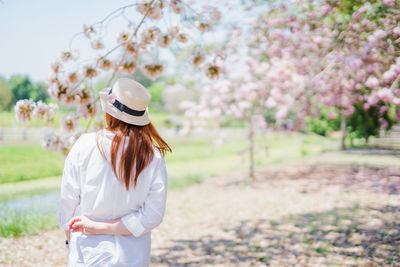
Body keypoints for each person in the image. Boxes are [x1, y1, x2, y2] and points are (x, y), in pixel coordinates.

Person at [57, 78, 171, 267]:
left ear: (109, 113)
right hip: (133, 257)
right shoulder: (152, 156)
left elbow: (67, 202)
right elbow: (153, 215)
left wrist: (71, 238)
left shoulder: (84, 145)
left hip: (87, 252)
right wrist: (108, 228)